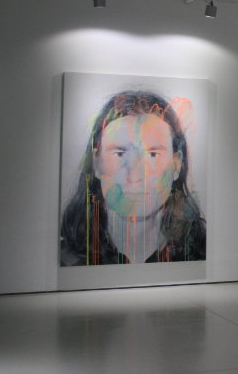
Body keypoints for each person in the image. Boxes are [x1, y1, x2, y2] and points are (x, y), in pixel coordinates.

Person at [60, 90, 206, 265]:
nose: (136, 176)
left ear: (176, 165)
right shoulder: (63, 259)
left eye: (153, 154)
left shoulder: (202, 254)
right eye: (120, 154)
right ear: (97, 164)